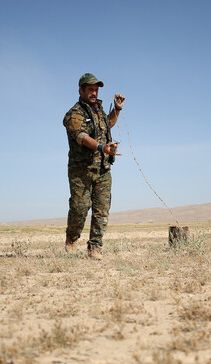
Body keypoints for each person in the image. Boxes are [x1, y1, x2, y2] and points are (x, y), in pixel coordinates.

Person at [62, 73, 125, 260]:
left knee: (101, 210)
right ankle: (71, 239)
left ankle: (94, 248)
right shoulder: (74, 114)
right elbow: (81, 136)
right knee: (80, 208)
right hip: (81, 171)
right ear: (81, 90)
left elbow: (108, 125)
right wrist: (101, 147)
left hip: (103, 169)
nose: (94, 93)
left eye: (96, 89)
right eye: (90, 89)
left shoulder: (99, 111)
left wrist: (118, 109)